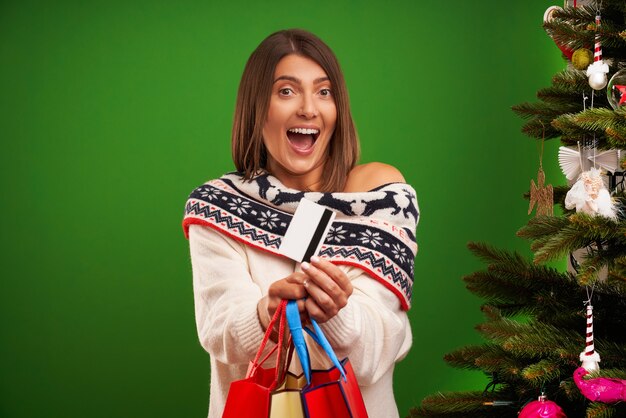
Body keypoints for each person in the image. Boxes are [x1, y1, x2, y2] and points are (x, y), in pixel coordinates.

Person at [183, 29, 419, 418]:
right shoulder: (218, 205)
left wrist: (336, 315)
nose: (309, 108)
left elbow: (378, 355)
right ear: (257, 108)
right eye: (287, 91)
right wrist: (265, 314)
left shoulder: (379, 197)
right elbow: (219, 330)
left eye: (323, 92)